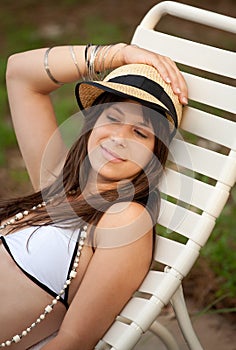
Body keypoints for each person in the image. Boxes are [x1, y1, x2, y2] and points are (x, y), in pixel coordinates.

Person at [1, 43, 188, 349]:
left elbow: (74, 340)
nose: (118, 137)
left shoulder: (124, 220)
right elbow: (19, 73)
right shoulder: (58, 184)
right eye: (111, 118)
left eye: (140, 133)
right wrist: (116, 54)